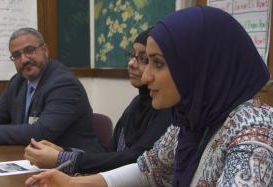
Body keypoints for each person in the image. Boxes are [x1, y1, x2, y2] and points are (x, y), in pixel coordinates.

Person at [25, 6, 273, 187]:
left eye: (158, 63)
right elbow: (148, 170)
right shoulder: (190, 118)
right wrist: (74, 184)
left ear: (198, 66)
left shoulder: (255, 133)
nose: (145, 77)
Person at [23, 28, 172, 174]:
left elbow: (136, 161)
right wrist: (63, 151)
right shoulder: (137, 103)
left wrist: (63, 159)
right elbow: (110, 154)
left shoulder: (168, 109)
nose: (131, 63)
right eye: (132, 55)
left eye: (143, 59)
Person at [0, 27, 100, 150]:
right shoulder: (18, 81)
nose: (24, 60)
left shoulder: (64, 84)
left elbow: (41, 132)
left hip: (77, 165)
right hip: (32, 159)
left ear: (45, 50)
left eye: (29, 50)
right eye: (16, 55)